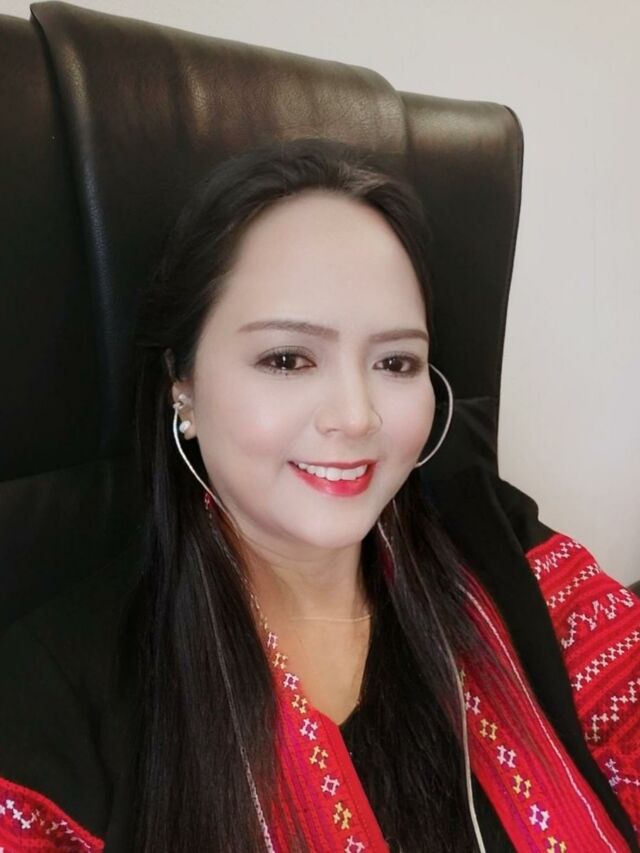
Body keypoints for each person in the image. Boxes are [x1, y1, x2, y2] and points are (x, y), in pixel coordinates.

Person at [0, 137, 638, 853]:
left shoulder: (508, 553)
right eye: (287, 359)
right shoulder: (53, 694)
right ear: (183, 385)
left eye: (396, 362)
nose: (356, 416)